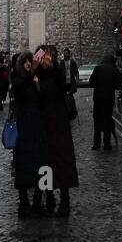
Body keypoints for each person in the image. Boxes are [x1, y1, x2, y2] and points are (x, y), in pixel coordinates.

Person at [34, 45, 78, 217]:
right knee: (45, 164)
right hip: (44, 125)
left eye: (48, 57)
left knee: (62, 162)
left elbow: (63, 86)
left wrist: (51, 69)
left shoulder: (56, 74)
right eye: (43, 57)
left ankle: (65, 200)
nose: (45, 60)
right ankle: (48, 197)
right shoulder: (35, 77)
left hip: (58, 125)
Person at [11, 50, 49, 218]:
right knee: (24, 166)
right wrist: (32, 74)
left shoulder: (35, 80)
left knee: (42, 165)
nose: (28, 64)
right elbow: (19, 88)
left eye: (30, 61)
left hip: (38, 127)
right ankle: (24, 202)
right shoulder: (18, 79)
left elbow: (44, 100)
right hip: (24, 128)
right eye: (25, 62)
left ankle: (38, 201)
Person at [89, 54, 120, 151]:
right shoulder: (114, 70)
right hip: (109, 99)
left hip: (98, 98)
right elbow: (118, 85)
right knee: (107, 120)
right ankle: (107, 144)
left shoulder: (97, 69)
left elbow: (91, 82)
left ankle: (97, 143)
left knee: (97, 120)